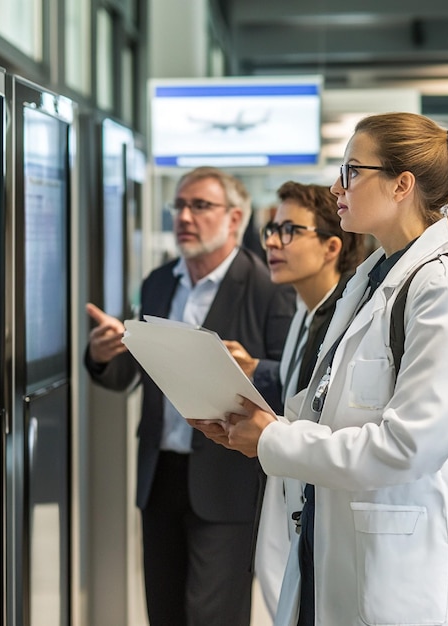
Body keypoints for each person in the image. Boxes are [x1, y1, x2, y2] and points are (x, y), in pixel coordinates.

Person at [192, 112, 448, 625]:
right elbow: (331, 407)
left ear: (402, 185)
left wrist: (273, 441)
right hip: (338, 552)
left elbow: (407, 447)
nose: (336, 188)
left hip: (412, 572)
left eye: (351, 171)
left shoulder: (447, 286)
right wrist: (250, 421)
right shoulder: (371, 278)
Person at [83, 166, 295, 626]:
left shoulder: (266, 288)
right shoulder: (160, 282)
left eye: (200, 206)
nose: (185, 216)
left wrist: (250, 372)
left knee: (213, 616)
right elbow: (131, 374)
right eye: (179, 205)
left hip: (226, 482)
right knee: (164, 612)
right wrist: (103, 355)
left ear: (235, 218)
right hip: (160, 477)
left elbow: (291, 384)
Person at [223, 181, 364, 616]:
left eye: (289, 230)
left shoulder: (342, 320)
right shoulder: (308, 312)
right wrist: (257, 369)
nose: (272, 242)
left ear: (330, 247)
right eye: (270, 230)